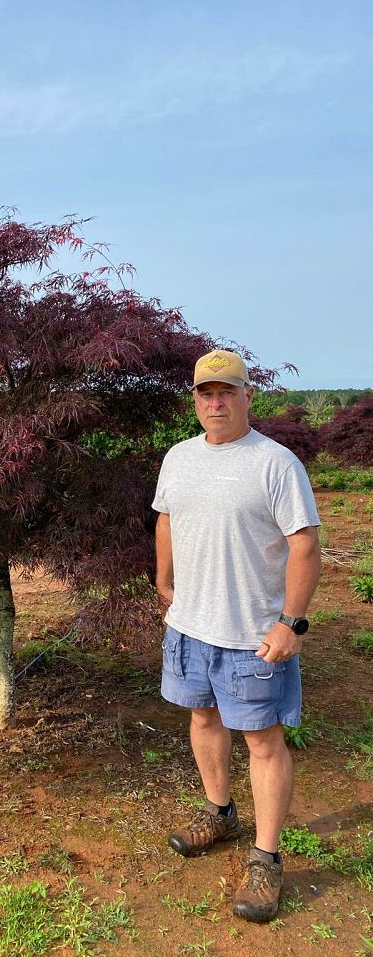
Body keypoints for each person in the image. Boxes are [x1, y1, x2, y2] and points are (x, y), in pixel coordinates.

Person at [152, 349, 321, 923]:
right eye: (205, 393)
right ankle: (220, 815)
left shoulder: (275, 464)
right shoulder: (178, 458)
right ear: (195, 400)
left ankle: (267, 858)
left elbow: (304, 544)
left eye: (227, 392)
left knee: (263, 742)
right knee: (202, 719)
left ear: (249, 395)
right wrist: (164, 578)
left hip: (253, 635)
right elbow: (167, 518)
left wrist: (290, 621)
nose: (215, 402)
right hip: (190, 627)